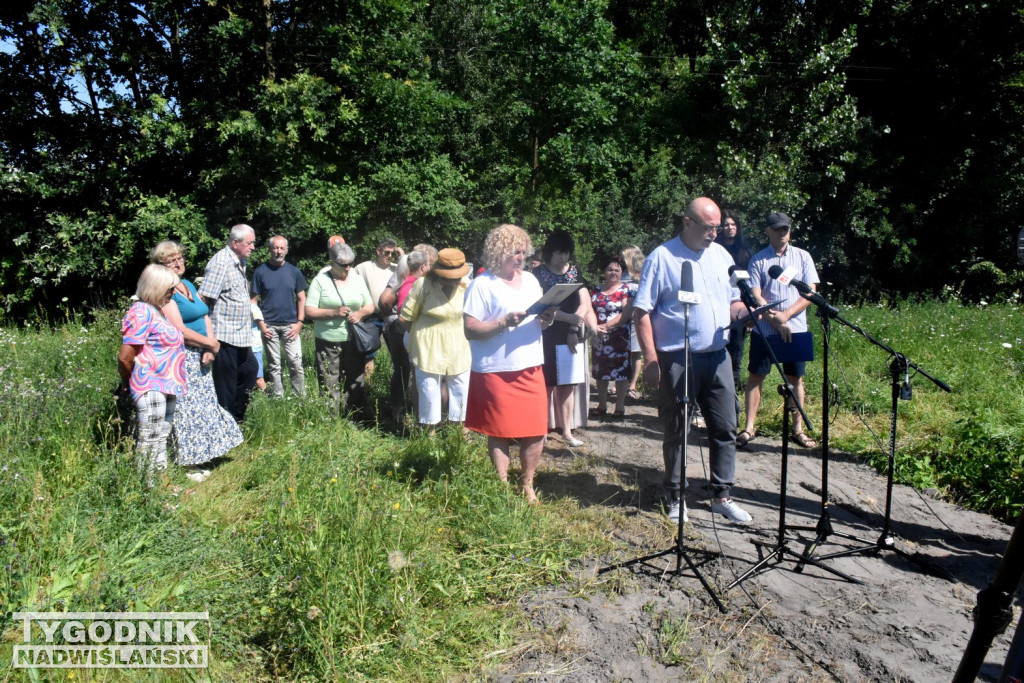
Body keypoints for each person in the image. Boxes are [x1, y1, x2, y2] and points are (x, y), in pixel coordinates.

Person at [633, 197, 753, 525]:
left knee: (725, 427)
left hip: (717, 357)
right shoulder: (662, 257)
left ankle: (722, 496)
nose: (715, 233)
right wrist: (652, 359)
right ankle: (675, 496)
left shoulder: (722, 256)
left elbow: (732, 301)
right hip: (677, 358)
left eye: (717, 227)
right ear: (687, 222)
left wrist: (749, 314)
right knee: (677, 430)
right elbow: (641, 312)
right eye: (708, 227)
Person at [463, 224, 557, 504]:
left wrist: (546, 320)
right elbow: (470, 329)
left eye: (523, 252)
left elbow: (538, 320)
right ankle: (500, 486)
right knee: (499, 430)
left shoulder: (530, 280)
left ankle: (527, 484)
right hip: (496, 368)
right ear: (498, 252)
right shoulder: (482, 284)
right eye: (515, 252)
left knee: (536, 428)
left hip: (530, 364)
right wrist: (503, 322)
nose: (521, 258)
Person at [150, 241, 242, 479]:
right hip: (183, 356)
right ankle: (188, 463)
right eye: (171, 261)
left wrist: (211, 345)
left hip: (201, 353)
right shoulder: (165, 292)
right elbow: (177, 329)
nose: (178, 263)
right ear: (161, 265)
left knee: (203, 406)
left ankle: (204, 453)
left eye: (179, 258)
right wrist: (208, 344)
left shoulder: (188, 285)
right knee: (186, 410)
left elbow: (205, 315)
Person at [739, 211, 820, 450]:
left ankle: (797, 429)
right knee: (756, 376)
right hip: (766, 329)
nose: (782, 234)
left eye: (785, 229)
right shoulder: (759, 260)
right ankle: (749, 427)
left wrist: (787, 315)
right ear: (768, 231)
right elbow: (755, 294)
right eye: (777, 230)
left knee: (796, 379)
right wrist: (775, 319)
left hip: (795, 328)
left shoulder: (803, 257)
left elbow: (810, 292)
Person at [117, 264, 187, 485]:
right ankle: (147, 492)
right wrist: (129, 383)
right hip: (150, 385)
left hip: (167, 385)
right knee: (149, 439)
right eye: (169, 289)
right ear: (156, 288)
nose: (173, 293)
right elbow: (125, 357)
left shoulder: (157, 311)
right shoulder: (141, 311)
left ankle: (162, 486)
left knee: (160, 438)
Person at [532, 230, 594, 447]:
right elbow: (541, 306)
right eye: (559, 253)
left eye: (566, 253)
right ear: (550, 253)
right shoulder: (538, 274)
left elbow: (584, 302)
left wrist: (573, 326)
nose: (563, 258)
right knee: (546, 385)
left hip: (571, 336)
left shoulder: (575, 273)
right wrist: (572, 319)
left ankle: (566, 431)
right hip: (545, 335)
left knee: (567, 384)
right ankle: (542, 430)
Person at [399, 248, 472, 428]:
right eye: (450, 278)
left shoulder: (466, 284)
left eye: (456, 277)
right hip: (428, 348)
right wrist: (421, 337)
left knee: (460, 388)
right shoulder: (423, 285)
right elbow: (404, 318)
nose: (454, 281)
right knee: (429, 391)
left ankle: (459, 432)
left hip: (459, 345)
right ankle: (429, 434)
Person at [305, 242, 375, 417]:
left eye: (350, 263)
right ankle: (331, 418)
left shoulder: (357, 279)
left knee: (356, 377)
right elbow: (309, 311)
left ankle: (355, 416)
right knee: (329, 379)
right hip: (328, 339)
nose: (348, 268)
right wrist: (333, 312)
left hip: (354, 338)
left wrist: (359, 314)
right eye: (343, 265)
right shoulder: (320, 281)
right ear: (331, 263)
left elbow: (370, 306)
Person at [198, 224, 258, 423]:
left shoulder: (239, 262)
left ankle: (236, 419)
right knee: (226, 384)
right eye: (249, 243)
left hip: (240, 335)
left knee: (250, 371)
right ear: (235, 243)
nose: (253, 247)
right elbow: (204, 298)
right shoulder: (221, 263)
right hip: (224, 334)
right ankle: (225, 426)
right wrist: (207, 340)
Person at [378, 244, 437, 424]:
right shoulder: (407, 279)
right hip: (402, 327)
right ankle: (402, 412)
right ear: (423, 264)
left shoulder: (405, 275)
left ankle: (405, 411)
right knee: (407, 370)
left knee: (405, 370)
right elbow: (385, 301)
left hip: (399, 326)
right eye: (429, 263)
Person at [251, 235, 308, 398]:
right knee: (274, 365)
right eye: (275, 248)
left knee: (296, 363)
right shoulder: (260, 271)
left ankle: (300, 398)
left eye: (282, 248)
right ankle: (278, 398)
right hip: (269, 326)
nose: (278, 251)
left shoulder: (294, 271)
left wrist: (300, 322)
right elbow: (253, 301)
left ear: (287, 250)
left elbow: (302, 298)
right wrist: (261, 325)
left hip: (291, 326)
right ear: (270, 250)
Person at [716, 210, 754, 393]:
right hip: (719, 304)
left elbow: (749, 284)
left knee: (737, 347)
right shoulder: (714, 250)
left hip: (740, 306)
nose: (730, 228)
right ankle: (717, 382)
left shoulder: (746, 251)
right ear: (720, 228)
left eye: (733, 225)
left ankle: (733, 384)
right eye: (726, 225)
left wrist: (748, 312)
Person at [591, 255, 634, 417]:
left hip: (619, 339)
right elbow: (589, 311)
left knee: (621, 375)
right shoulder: (595, 290)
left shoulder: (626, 290)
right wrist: (594, 327)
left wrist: (606, 326)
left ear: (622, 272)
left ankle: (620, 407)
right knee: (600, 373)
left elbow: (626, 314)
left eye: (617, 270)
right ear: (604, 271)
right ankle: (602, 405)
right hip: (600, 339)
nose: (613, 273)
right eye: (610, 269)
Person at [353, 237, 402, 377]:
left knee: (397, 352)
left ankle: (397, 384)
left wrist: (402, 256)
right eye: (387, 252)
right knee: (368, 353)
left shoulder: (397, 269)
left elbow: (412, 275)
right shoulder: (364, 267)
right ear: (378, 251)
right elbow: (351, 285)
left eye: (393, 253)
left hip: (392, 316)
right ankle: (368, 386)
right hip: (371, 316)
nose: (390, 256)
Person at [620, 245, 646, 401]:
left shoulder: (642, 276)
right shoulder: (621, 274)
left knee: (635, 352)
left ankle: (633, 385)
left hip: (636, 316)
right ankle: (619, 382)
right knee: (621, 351)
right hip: (621, 317)